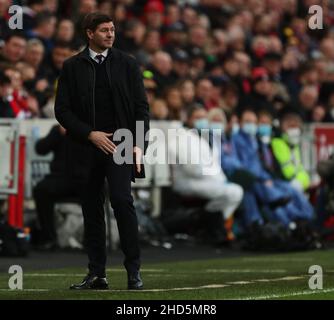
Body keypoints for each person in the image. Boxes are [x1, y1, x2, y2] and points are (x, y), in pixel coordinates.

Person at [54, 13, 150, 290]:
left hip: (121, 142)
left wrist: (138, 143)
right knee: (91, 211)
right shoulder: (71, 66)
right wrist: (89, 134)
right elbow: (62, 111)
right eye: (104, 30)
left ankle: (134, 271)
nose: (110, 34)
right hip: (85, 147)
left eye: (112, 30)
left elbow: (141, 108)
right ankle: (97, 273)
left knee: (122, 201)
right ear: (89, 33)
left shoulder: (128, 64)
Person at [33, 124, 82, 251]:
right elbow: (40, 148)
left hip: (86, 177)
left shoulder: (92, 127)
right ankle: (49, 238)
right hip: (61, 178)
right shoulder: (59, 130)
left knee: (94, 190)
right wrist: (57, 134)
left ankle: (93, 239)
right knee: (40, 190)